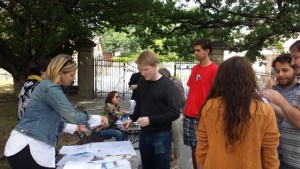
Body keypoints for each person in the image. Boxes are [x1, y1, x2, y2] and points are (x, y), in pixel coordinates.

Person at [4, 54, 108, 169]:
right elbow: (72, 115)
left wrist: (77, 128)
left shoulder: (49, 87)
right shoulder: (50, 88)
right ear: (60, 73)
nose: (73, 78)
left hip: (33, 148)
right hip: (27, 147)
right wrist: (99, 118)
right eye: (71, 74)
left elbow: (52, 120)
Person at [197, 56, 280, 169]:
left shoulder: (210, 106)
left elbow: (202, 146)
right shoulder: (264, 110)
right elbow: (270, 152)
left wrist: (201, 164)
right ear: (250, 78)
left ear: (220, 78)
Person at [123, 51, 180, 169]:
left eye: (146, 69)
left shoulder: (167, 85)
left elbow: (175, 112)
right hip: (144, 133)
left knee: (161, 166)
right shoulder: (142, 81)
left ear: (155, 66)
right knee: (147, 166)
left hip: (162, 134)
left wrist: (151, 120)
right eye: (140, 70)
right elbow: (140, 104)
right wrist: (132, 118)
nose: (143, 73)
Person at [261, 40, 300, 168]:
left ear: (294, 69)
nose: (280, 75)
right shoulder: (273, 89)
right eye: (277, 71)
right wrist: (268, 96)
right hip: (275, 151)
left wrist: (278, 100)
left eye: (285, 70)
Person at [183, 39, 218, 169]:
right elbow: (192, 89)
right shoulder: (195, 68)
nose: (195, 53)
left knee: (206, 149)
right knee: (194, 148)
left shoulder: (215, 69)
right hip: (189, 113)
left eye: (198, 50)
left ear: (207, 51)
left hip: (204, 116)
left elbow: (216, 95)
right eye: (195, 50)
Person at [158, 68, 185, 169]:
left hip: (175, 116)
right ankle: (170, 160)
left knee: (176, 139)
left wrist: (170, 104)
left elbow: (182, 100)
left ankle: (175, 164)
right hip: (165, 115)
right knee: (166, 139)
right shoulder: (164, 84)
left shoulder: (175, 83)